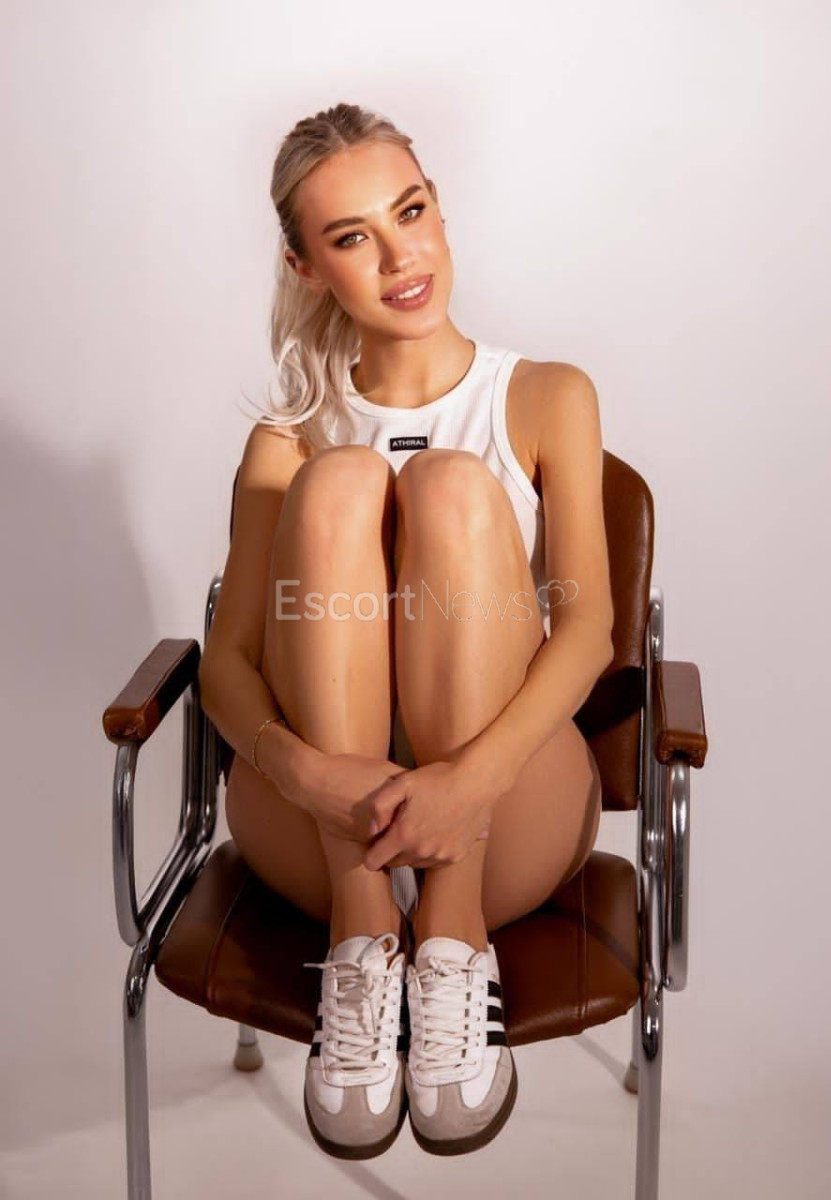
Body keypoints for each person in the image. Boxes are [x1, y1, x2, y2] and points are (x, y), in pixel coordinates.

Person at [199, 102, 614, 1161]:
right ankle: (363, 937)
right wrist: (306, 773)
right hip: (318, 826)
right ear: (304, 267)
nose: (399, 257)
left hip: (504, 808)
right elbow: (228, 663)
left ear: (439, 207)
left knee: (451, 487)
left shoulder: (548, 396)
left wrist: (468, 782)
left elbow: (590, 629)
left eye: (411, 211)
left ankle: (452, 942)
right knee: (341, 480)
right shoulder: (287, 439)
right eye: (353, 237)